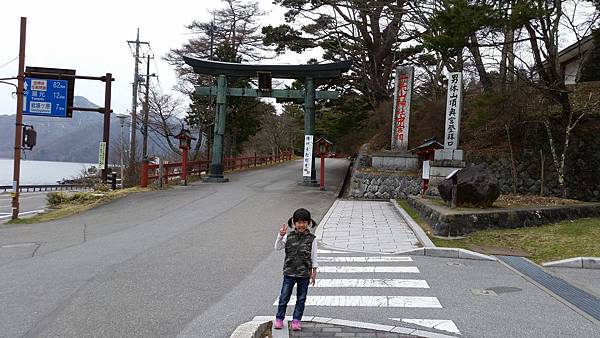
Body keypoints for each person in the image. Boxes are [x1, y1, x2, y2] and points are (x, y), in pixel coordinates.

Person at [273, 208, 318, 331]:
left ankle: (296, 320)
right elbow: (277, 247)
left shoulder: (312, 239)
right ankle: (279, 319)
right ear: (294, 222)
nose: (301, 225)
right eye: (298, 222)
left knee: (301, 299)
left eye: (304, 222)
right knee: (284, 297)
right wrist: (280, 236)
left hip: (304, 274)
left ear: (308, 223)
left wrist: (314, 272)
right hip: (289, 273)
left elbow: (314, 256)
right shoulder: (289, 236)